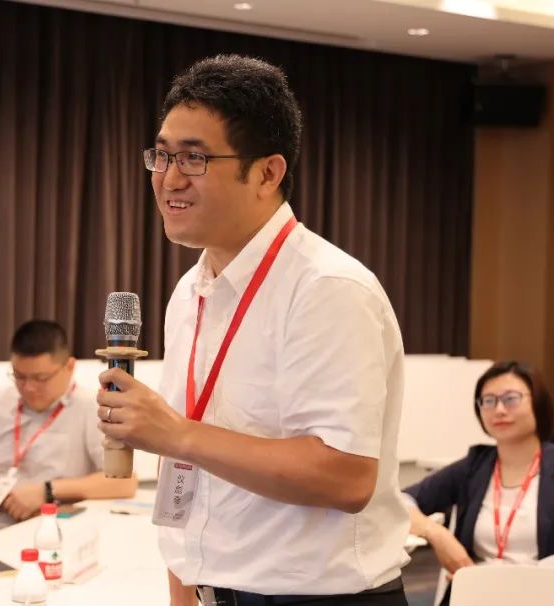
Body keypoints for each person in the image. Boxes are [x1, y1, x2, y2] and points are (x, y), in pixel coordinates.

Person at [96, 54, 410, 606]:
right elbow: (187, 472)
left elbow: (346, 478)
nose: (169, 178)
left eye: (194, 158)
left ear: (267, 173)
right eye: (162, 155)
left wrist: (177, 433)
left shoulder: (327, 287)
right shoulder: (189, 293)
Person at [403, 361, 554, 606]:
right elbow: (401, 500)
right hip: (474, 598)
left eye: (511, 398)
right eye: (488, 401)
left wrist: (505, 584)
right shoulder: (475, 466)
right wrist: (435, 533)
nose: (499, 409)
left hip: (541, 598)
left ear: (538, 402)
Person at [0, 320, 137, 552]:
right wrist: (9, 501)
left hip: (45, 539)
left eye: (40, 378)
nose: (28, 387)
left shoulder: (91, 408)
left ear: (69, 367)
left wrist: (46, 491)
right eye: (19, 376)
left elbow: (123, 482)